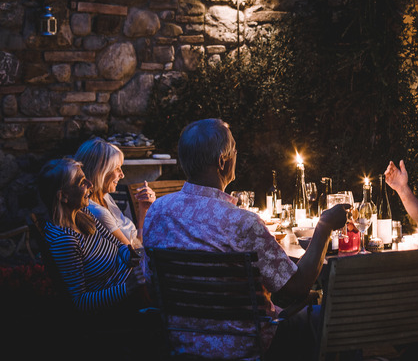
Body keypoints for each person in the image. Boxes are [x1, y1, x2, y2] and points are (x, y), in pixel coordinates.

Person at [142, 118, 348, 360]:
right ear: (222, 161)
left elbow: (151, 283)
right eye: (235, 151)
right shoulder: (241, 223)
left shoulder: (157, 212)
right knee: (336, 319)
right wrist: (324, 226)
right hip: (248, 347)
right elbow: (297, 286)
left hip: (180, 342)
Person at [36, 157, 145, 313]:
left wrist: (132, 257)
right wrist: (129, 287)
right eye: (82, 183)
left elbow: (117, 244)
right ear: (63, 196)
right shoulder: (65, 240)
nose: (90, 185)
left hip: (134, 280)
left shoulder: (83, 214)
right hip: (122, 303)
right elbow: (79, 301)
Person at [75, 137, 155, 248]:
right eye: (117, 168)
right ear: (100, 172)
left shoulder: (106, 198)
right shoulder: (98, 212)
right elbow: (134, 253)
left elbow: (137, 242)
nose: (122, 175)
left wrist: (143, 210)